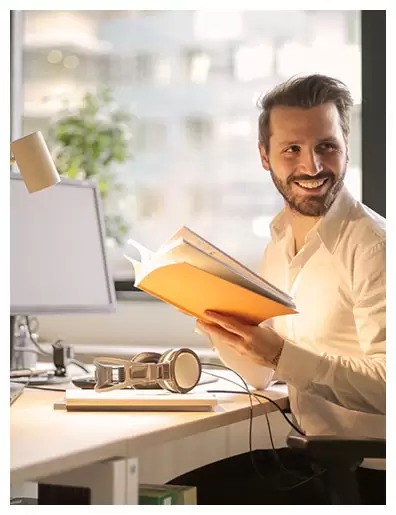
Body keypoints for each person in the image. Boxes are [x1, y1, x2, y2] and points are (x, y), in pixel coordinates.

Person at [168, 74, 386, 504]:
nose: (312, 167)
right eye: (292, 150)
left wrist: (279, 353)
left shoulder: (374, 246)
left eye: (327, 146)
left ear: (345, 146)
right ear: (265, 157)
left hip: (368, 470)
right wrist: (219, 323)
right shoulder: (280, 240)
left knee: (178, 499)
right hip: (313, 459)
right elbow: (262, 375)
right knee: (171, 493)